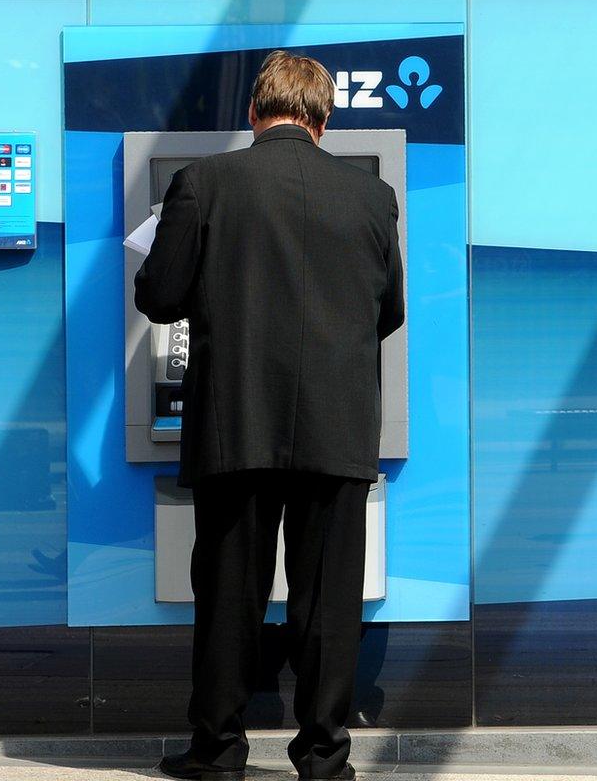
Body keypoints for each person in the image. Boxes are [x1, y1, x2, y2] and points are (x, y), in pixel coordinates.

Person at [136, 51, 405, 781]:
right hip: (338, 427)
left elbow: (158, 298)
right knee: (327, 604)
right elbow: (391, 312)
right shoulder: (372, 198)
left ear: (254, 112)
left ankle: (219, 752)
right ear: (324, 117)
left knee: (229, 596)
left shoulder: (204, 184)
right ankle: (323, 759)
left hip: (236, 426)